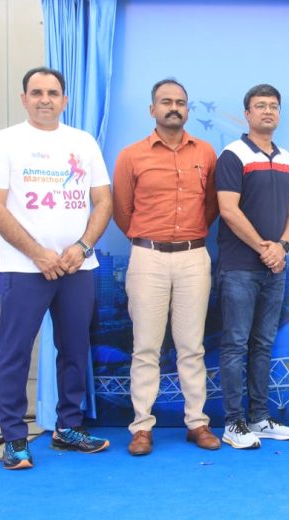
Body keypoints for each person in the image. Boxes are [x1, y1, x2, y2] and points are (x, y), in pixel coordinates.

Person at [0, 67, 112, 469]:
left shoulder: (82, 142)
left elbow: (103, 201)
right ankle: (14, 439)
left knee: (74, 350)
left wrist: (82, 247)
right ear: (24, 99)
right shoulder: (5, 142)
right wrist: (37, 253)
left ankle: (67, 427)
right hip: (24, 269)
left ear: (64, 100)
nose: (45, 99)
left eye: (53, 93)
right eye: (36, 92)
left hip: (77, 267)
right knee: (14, 353)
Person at [112, 79, 221, 456]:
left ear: (187, 109)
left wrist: (187, 236)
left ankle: (197, 423)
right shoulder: (131, 156)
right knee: (145, 347)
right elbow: (122, 210)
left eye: (180, 102)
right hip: (148, 257)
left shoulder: (205, 152)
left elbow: (211, 206)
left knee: (192, 346)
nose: (173, 107)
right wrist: (149, 237)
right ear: (152, 109)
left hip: (193, 256)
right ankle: (141, 427)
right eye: (165, 102)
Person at [215, 84, 289, 449]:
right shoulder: (232, 155)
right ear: (247, 113)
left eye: (274, 106)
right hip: (239, 266)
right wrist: (264, 248)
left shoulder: (287, 158)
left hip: (275, 267)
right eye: (260, 106)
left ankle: (259, 418)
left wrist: (281, 247)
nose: (268, 111)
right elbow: (227, 209)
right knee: (235, 344)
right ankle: (233, 423)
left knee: (263, 344)